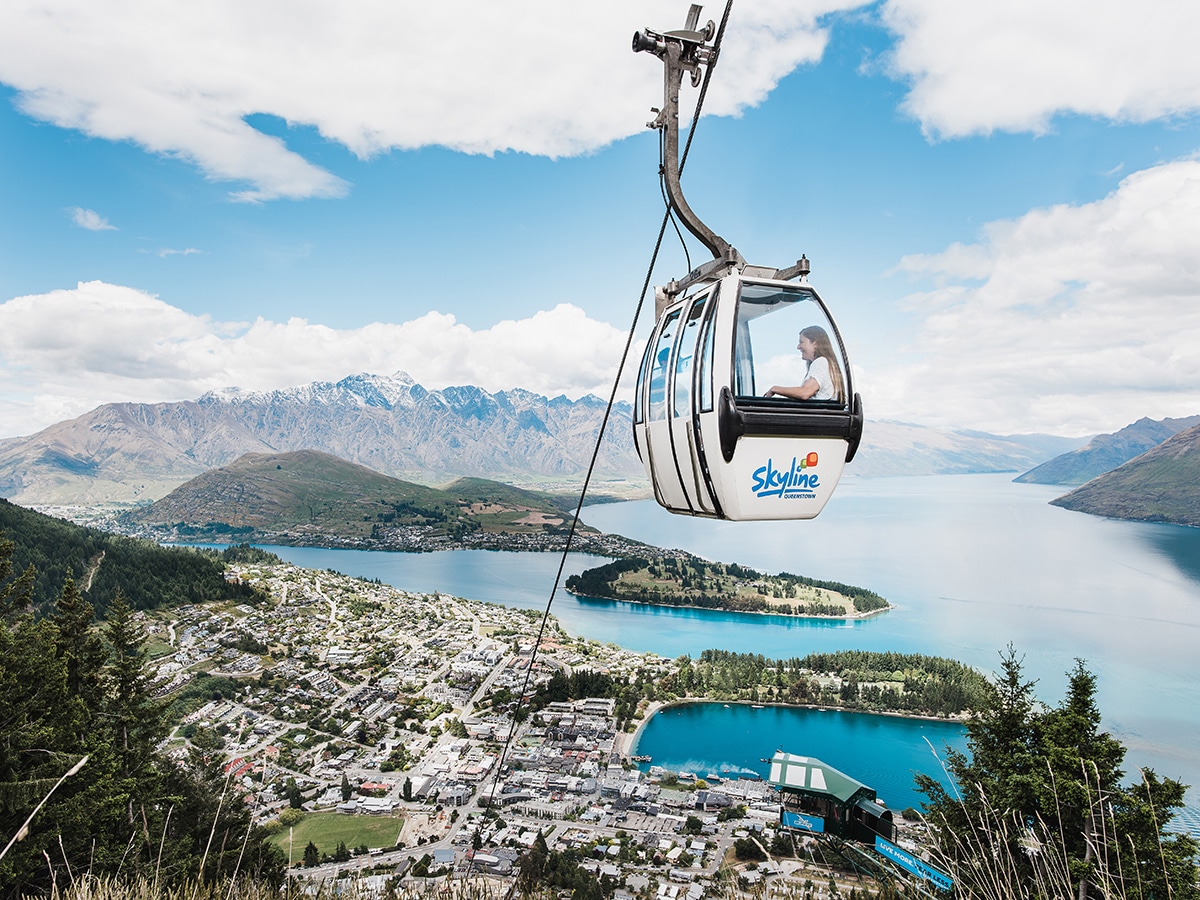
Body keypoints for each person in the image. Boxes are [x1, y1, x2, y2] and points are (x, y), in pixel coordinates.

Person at [764, 325, 845, 403]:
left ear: (815, 343)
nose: (798, 347)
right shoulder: (827, 364)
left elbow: (805, 392)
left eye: (801, 342)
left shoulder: (821, 362)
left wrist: (775, 389)